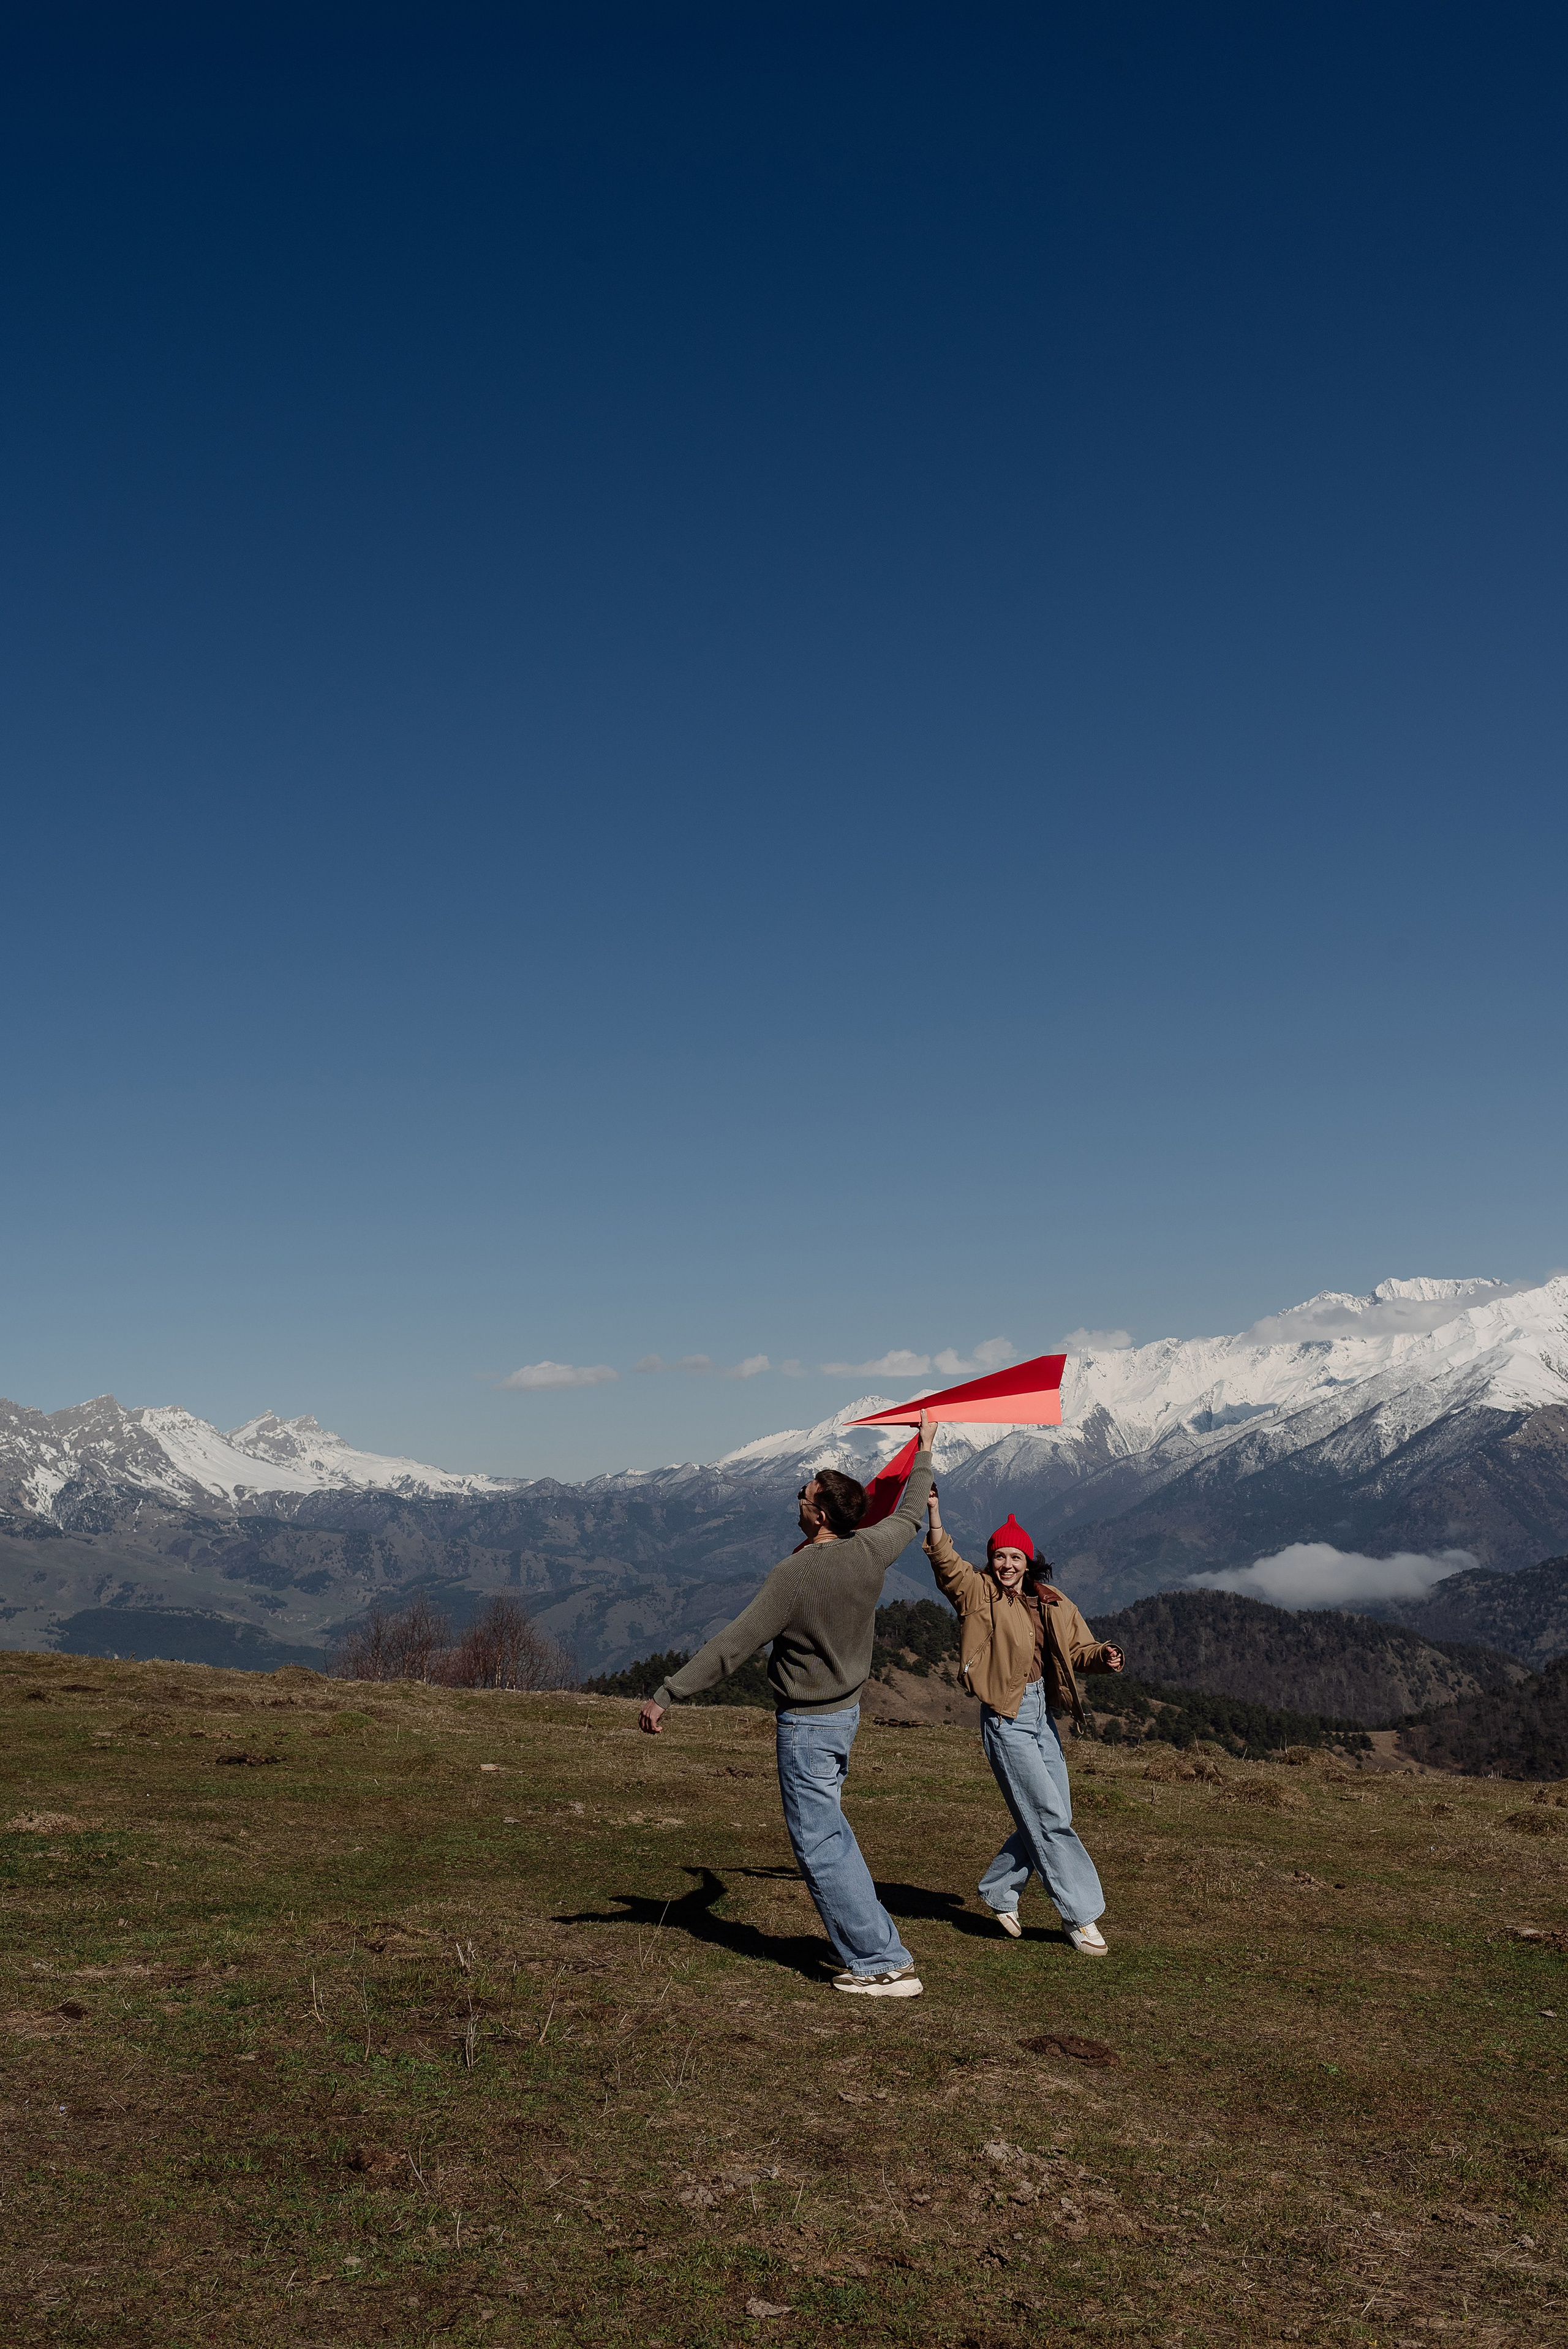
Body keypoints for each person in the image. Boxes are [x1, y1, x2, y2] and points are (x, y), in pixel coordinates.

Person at [639, 1413, 937, 1997]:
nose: (797, 1499)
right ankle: (867, 1939)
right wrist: (925, 1448)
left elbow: (733, 1644)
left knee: (821, 1843)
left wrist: (667, 1692)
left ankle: (879, 1960)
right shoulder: (871, 1549)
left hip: (807, 1725)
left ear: (820, 1513)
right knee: (834, 1833)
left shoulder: (795, 1576)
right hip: (845, 1715)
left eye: (804, 1494)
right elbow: (908, 1513)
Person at [925, 1490, 1124, 1954]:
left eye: (1015, 1556)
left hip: (1042, 1715)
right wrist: (934, 1514)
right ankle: (1080, 1915)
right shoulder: (979, 1593)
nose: (1007, 1564)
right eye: (999, 1555)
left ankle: (999, 1888)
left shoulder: (1052, 1601)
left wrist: (1104, 1656)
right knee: (1048, 1815)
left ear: (1029, 1561)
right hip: (1006, 1716)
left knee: (1057, 1812)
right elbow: (946, 1563)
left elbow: (1077, 1651)